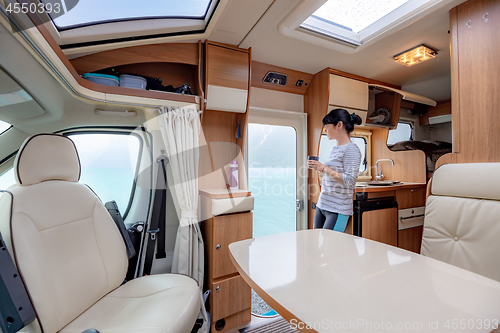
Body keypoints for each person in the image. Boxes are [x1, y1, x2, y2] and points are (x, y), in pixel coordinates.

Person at [307, 108, 362, 231]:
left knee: (330, 247)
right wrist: (320, 168)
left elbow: (349, 181)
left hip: (337, 209)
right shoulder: (336, 148)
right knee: (317, 244)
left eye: (327, 126)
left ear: (339, 125)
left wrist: (322, 168)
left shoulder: (351, 149)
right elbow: (332, 174)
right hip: (323, 204)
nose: (325, 129)